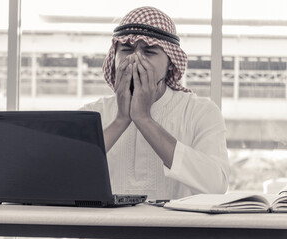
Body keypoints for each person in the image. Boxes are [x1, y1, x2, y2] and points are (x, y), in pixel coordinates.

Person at [80, 6, 230, 200]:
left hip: (176, 229)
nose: (135, 59)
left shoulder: (200, 111)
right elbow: (63, 176)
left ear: (170, 64)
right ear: (114, 58)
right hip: (104, 230)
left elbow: (216, 185)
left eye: (149, 52)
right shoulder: (92, 113)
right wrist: (120, 120)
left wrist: (144, 119)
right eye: (126, 50)